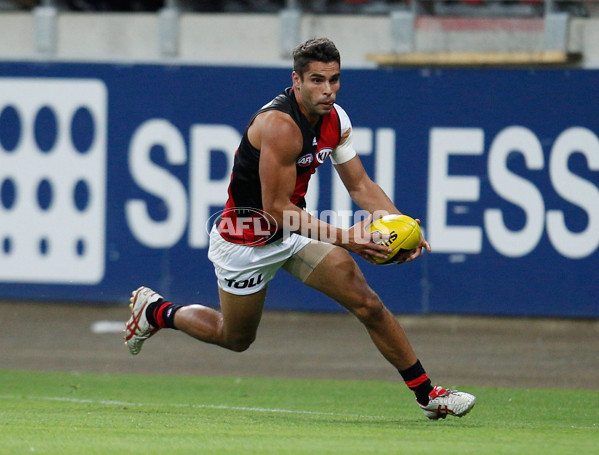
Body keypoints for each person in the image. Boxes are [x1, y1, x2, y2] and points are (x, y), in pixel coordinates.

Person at [124, 37, 476, 420]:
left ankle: (428, 394)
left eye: (334, 80)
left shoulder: (336, 119)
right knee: (235, 337)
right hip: (245, 241)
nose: (328, 90)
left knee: (368, 303)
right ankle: (158, 312)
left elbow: (360, 185)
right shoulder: (278, 126)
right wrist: (350, 239)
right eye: (317, 80)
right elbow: (275, 210)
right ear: (296, 80)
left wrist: (402, 225)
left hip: (294, 233)